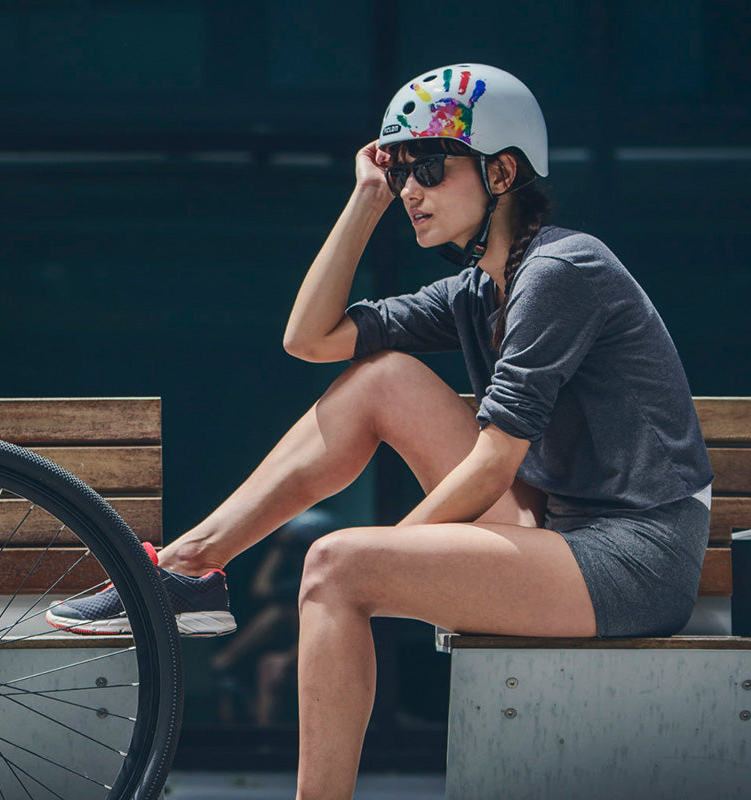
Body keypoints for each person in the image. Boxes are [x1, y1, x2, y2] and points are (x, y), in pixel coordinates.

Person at [47, 63, 713, 799]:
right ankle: (188, 568)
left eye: (428, 166)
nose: (411, 191)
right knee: (382, 378)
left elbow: (494, 464)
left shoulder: (562, 269)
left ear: (503, 170)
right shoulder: (474, 290)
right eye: (401, 172)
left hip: (633, 561)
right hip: (560, 528)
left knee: (339, 564)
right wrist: (365, 200)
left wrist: (395, 555)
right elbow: (310, 339)